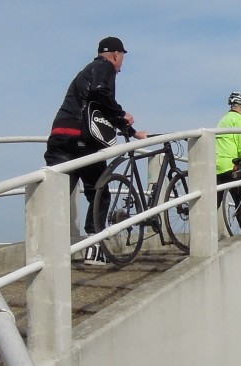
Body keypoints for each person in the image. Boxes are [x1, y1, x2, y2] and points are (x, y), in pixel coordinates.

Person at [43, 36, 148, 264]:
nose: (121, 66)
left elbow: (99, 104)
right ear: (117, 55)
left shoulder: (85, 71)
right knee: (99, 193)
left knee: (58, 195)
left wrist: (130, 131)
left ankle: (46, 251)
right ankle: (93, 248)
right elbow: (101, 94)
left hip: (60, 136)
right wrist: (122, 116)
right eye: (122, 59)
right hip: (83, 140)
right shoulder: (104, 67)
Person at [215, 92, 241, 233]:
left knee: (213, 204)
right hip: (233, 166)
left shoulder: (223, 120)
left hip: (217, 166)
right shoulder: (240, 120)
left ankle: (201, 237)